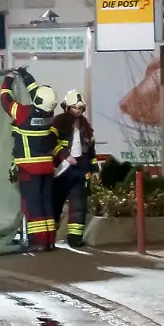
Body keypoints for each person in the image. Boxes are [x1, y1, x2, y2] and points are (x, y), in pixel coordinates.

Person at [0, 67, 60, 252]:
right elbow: (37, 94)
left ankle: (39, 242)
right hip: (46, 167)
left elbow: (5, 100)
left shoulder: (23, 113)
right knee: (46, 202)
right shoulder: (48, 115)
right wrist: (26, 76)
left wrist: (8, 80)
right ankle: (49, 240)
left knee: (32, 204)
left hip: (29, 168)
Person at [52, 90, 96, 248]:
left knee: (79, 204)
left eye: (81, 108)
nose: (78, 111)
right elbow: (51, 142)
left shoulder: (85, 126)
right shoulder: (59, 122)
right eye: (75, 108)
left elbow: (90, 149)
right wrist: (64, 156)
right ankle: (49, 237)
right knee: (55, 203)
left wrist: (94, 169)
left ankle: (75, 239)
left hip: (80, 169)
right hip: (63, 169)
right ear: (67, 107)